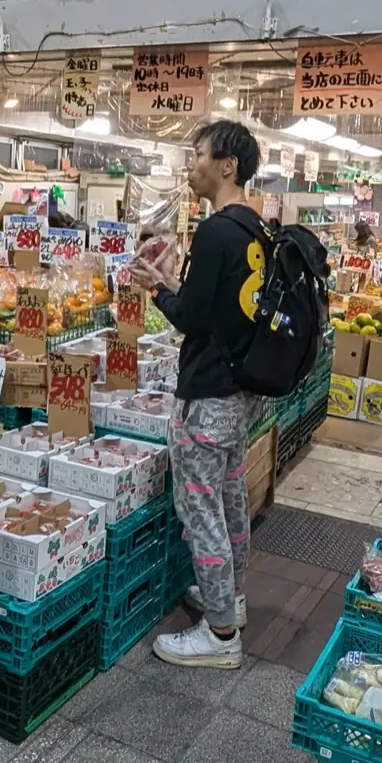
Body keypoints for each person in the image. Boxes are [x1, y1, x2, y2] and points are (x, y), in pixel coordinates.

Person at [128, 120, 265, 669]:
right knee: (230, 501)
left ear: (228, 165)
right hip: (240, 393)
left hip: (206, 396)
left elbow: (189, 319)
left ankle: (220, 635)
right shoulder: (255, 228)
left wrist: (156, 288)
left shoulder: (214, 232)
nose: (193, 165)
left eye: (200, 154)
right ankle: (231, 599)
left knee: (201, 510)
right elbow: (215, 310)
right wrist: (171, 283)